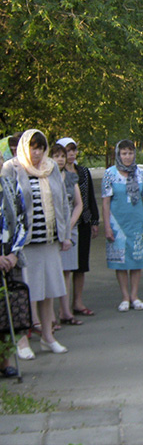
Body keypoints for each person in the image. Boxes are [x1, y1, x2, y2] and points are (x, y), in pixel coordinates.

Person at [2, 130, 72, 355]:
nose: (37, 153)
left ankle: (47, 337)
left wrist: (65, 234)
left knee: (49, 289)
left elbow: (63, 203)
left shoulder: (51, 168)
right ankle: (22, 340)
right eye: (33, 148)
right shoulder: (12, 168)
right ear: (25, 148)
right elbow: (7, 204)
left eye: (41, 148)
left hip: (49, 240)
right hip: (24, 244)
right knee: (26, 292)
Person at [102, 140, 143, 312]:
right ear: (118, 155)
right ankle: (124, 297)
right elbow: (106, 202)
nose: (127, 157)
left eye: (130, 153)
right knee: (120, 262)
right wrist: (107, 226)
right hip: (118, 224)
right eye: (124, 153)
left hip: (137, 222)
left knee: (137, 259)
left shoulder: (142, 174)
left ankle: (134, 296)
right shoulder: (110, 174)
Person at [56, 137, 99, 316]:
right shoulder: (56, 173)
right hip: (64, 225)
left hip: (83, 222)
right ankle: (63, 307)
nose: (71, 154)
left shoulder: (83, 171)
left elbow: (89, 196)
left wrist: (94, 220)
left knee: (81, 265)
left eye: (73, 150)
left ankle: (78, 302)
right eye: (67, 151)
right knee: (65, 268)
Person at [51, 144, 83, 326]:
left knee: (66, 271)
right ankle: (50, 317)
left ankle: (65, 312)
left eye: (62, 156)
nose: (60, 159)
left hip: (70, 229)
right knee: (52, 272)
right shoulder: (45, 177)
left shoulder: (71, 177)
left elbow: (78, 204)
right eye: (56, 156)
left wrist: (70, 225)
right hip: (51, 231)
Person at [0, 173, 27, 373]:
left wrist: (14, 253)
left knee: (5, 311)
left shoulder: (10, 185)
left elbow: (22, 218)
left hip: (9, 257)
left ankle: (5, 362)